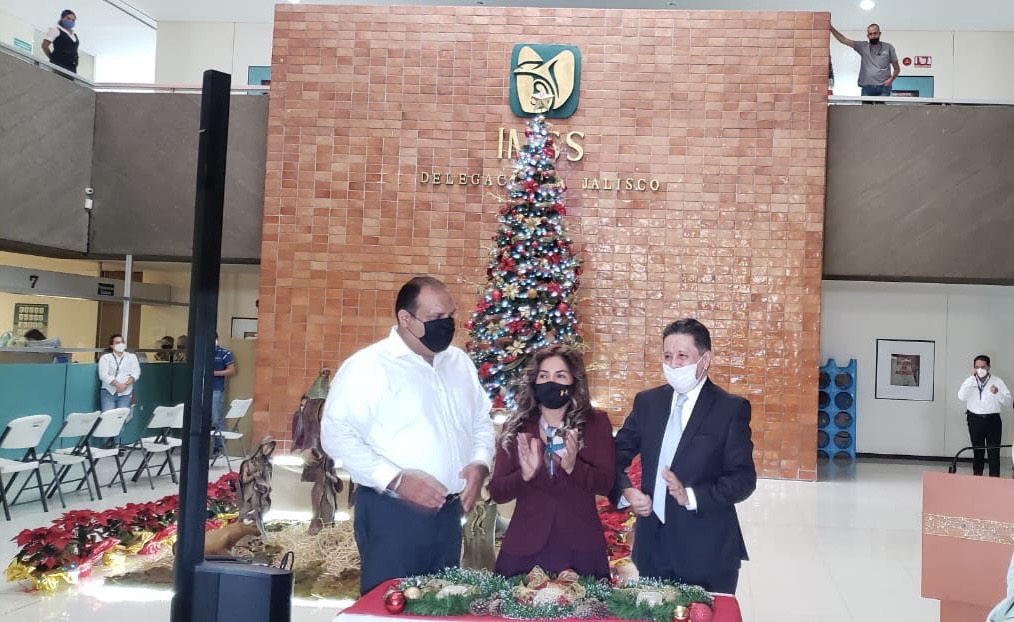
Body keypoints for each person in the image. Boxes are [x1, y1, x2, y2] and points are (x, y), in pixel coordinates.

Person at [321, 276, 495, 594]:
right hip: (392, 515)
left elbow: (480, 421)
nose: (447, 324)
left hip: (448, 515)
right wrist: (397, 480)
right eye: (436, 317)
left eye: (450, 315)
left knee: (441, 605)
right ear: (405, 318)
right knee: (390, 604)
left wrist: (480, 462)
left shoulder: (458, 363)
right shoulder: (369, 366)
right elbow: (336, 435)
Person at [611, 319, 756, 594]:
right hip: (653, 546)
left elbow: (743, 479)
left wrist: (690, 496)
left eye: (682, 356)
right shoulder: (648, 403)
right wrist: (626, 490)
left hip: (707, 551)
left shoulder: (729, 409)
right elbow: (615, 454)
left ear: (705, 360)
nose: (674, 365)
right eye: (667, 356)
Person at [488, 344, 616, 579]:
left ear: (574, 381)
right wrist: (524, 476)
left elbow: (607, 484)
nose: (551, 382)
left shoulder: (595, 423)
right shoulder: (517, 426)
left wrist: (574, 467)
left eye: (560, 376)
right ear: (535, 381)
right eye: (544, 376)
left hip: (581, 547)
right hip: (525, 546)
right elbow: (497, 492)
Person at [957, 355, 1011, 477]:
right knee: (978, 452)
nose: (980, 370)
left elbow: (1008, 401)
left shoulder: (997, 381)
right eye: (977, 367)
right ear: (973, 368)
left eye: (983, 367)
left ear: (989, 367)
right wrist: (971, 378)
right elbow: (961, 397)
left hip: (993, 420)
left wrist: (997, 393)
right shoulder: (970, 381)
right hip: (974, 419)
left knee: (994, 452)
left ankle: (994, 480)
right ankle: (977, 478)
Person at [830, 23, 900, 97]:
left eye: (875, 33)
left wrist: (891, 80)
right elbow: (843, 40)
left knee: (882, 105)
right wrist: (831, 28)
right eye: (870, 34)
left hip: (884, 87)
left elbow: (897, 69)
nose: (873, 36)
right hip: (867, 88)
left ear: (879, 34)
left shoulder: (888, 47)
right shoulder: (863, 46)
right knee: (865, 105)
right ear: (868, 36)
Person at [97, 333, 140, 416]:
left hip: (126, 392)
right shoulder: (106, 358)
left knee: (121, 418)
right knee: (108, 418)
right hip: (109, 392)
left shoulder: (131, 357)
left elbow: (136, 372)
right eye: (117, 342)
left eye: (122, 342)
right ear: (111, 345)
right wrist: (118, 385)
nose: (120, 344)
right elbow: (103, 375)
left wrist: (125, 385)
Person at [211, 334, 237, 459]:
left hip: (216, 390)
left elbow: (231, 370)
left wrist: (214, 373)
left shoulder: (224, 353)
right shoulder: (201, 352)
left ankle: (219, 448)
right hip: (201, 390)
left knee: (217, 418)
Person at [42, 10, 80, 75]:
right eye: (68, 18)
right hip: (58, 65)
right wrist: (52, 58)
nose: (70, 21)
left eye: (73, 20)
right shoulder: (55, 30)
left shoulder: (74, 34)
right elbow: (44, 46)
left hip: (71, 68)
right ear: (62, 18)